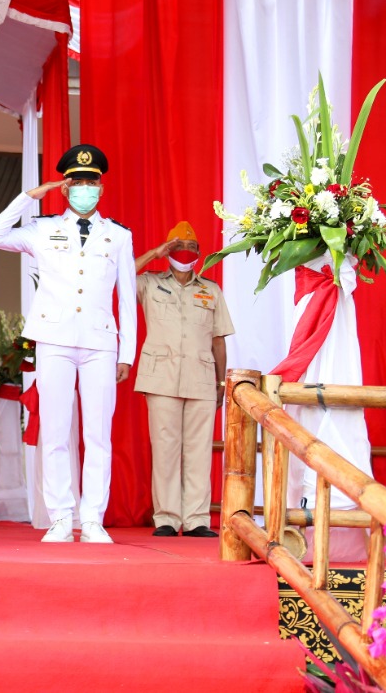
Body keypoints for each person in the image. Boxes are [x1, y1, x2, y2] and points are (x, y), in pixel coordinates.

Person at [0, 145, 136, 543]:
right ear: (65, 190)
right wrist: (29, 197)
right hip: (52, 339)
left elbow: (127, 296)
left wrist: (127, 351)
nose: (85, 188)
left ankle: (92, 519)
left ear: (101, 189)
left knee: (98, 434)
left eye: (91, 182)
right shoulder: (41, 227)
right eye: (77, 183)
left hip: (101, 343)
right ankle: (59, 516)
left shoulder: (118, 236)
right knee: (54, 432)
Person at [133, 221, 233, 538]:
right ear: (168, 252)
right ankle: (166, 517)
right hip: (160, 378)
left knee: (199, 451)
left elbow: (219, 340)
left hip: (202, 378)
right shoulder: (148, 283)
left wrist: (221, 384)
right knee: (164, 449)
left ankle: (196, 519)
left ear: (200, 254)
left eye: (190, 249)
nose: (184, 254)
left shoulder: (211, 290)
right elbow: (115, 277)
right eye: (178, 249)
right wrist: (153, 254)